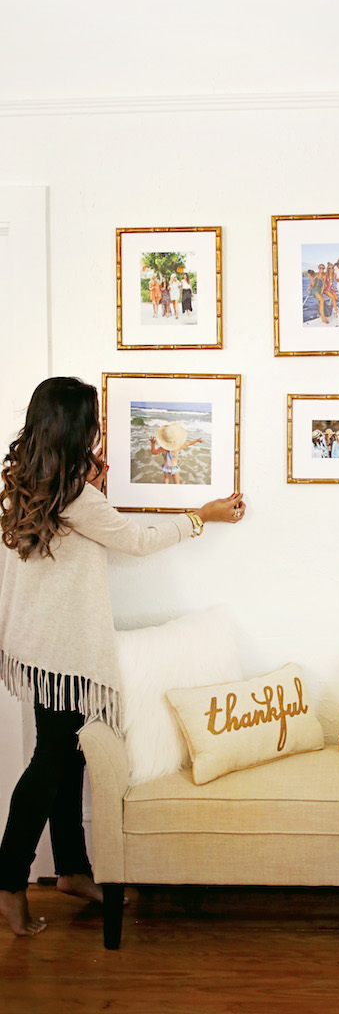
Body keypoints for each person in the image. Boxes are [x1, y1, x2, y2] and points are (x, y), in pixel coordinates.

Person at [0, 377, 245, 937]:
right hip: (63, 654)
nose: (100, 428)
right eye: (93, 419)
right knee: (54, 761)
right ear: (72, 428)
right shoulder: (75, 496)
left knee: (69, 754)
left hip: (36, 648)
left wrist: (91, 485)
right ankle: (10, 882)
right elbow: (134, 541)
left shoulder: (25, 484)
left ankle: (71, 870)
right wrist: (200, 516)